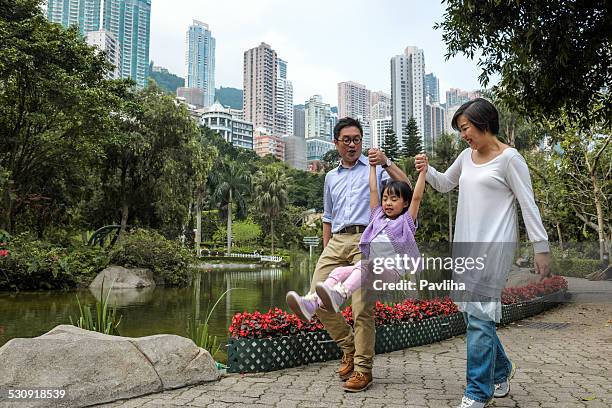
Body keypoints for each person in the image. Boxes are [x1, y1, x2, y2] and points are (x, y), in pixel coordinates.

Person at [415, 98, 551, 408]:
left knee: (478, 316)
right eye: (460, 129)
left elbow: (527, 204)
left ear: (484, 124)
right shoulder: (466, 156)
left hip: (494, 247)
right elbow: (445, 184)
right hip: (467, 245)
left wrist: (540, 247)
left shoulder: (510, 159)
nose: (463, 135)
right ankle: (501, 370)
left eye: (465, 128)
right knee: (474, 314)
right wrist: (427, 169)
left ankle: (478, 392)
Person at [285, 117, 410, 392]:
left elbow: (407, 187)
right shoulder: (330, 176)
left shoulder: (376, 168)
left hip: (367, 239)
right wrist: (326, 247)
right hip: (336, 241)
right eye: (347, 140)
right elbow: (327, 217)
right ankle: (348, 347)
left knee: (362, 307)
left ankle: (363, 370)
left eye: (356, 139)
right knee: (314, 297)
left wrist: (387, 162)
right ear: (336, 143)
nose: (352, 145)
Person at [287, 155, 426, 321]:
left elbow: (416, 197)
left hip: (391, 272)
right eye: (385, 199)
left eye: (394, 199)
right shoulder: (377, 218)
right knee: (337, 271)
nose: (388, 203)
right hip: (372, 270)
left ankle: (340, 295)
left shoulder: (406, 222)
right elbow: (373, 190)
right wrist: (372, 167)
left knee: (364, 265)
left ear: (405, 203)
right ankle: (311, 304)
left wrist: (423, 172)